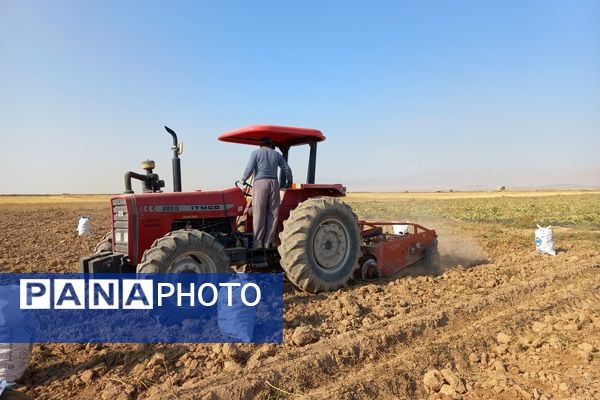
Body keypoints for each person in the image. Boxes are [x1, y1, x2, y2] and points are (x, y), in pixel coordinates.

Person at [240, 137, 292, 249]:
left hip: (260, 183)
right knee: (273, 213)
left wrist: (243, 179)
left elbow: (249, 168)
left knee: (259, 212)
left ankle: (258, 242)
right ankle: (268, 242)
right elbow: (286, 168)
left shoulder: (255, 153)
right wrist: (290, 180)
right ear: (270, 145)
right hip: (274, 183)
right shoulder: (277, 154)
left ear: (260, 145)